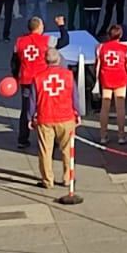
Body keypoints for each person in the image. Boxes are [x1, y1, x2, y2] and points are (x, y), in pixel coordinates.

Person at [33, 46, 78, 191]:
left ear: (45, 60)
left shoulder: (38, 78)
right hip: (66, 117)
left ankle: (47, 180)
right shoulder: (68, 75)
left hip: (45, 118)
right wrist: (78, 113)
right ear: (59, 59)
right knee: (67, 150)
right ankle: (67, 178)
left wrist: (30, 117)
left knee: (46, 151)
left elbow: (33, 101)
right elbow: (75, 97)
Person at [13, 17, 52, 149]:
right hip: (41, 80)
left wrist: (15, 76)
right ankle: (47, 138)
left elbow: (14, 61)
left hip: (26, 79)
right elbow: (64, 41)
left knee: (26, 109)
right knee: (45, 108)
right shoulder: (46, 40)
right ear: (39, 27)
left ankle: (22, 139)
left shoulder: (19, 42)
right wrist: (62, 26)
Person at [95, 24, 127, 145]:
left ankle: (103, 135)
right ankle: (121, 135)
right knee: (120, 108)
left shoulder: (101, 47)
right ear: (121, 35)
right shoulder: (125, 48)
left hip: (106, 78)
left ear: (109, 35)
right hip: (120, 78)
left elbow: (97, 64)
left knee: (105, 107)